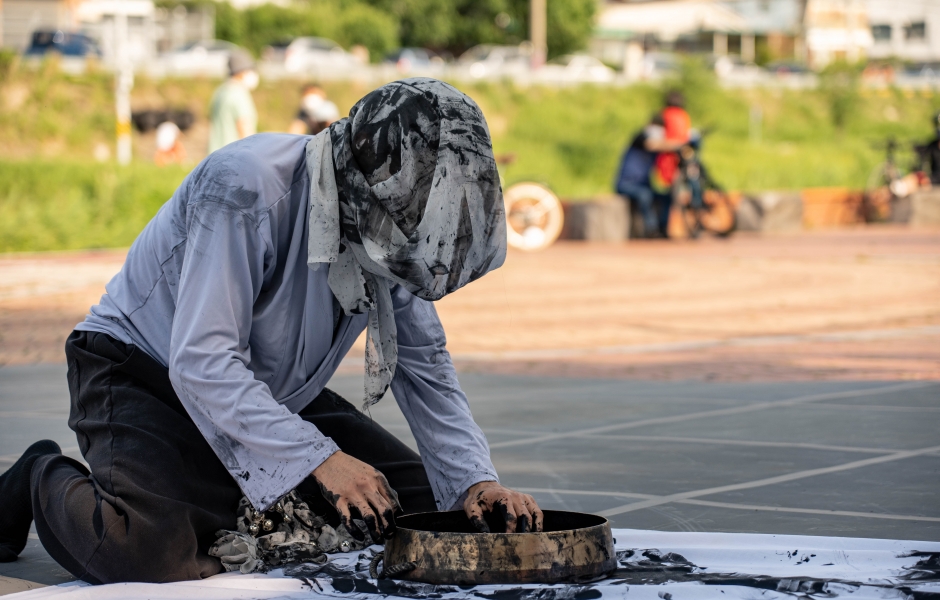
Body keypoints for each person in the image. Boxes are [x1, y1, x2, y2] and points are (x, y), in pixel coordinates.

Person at [0, 78, 542, 583]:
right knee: (147, 550)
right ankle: (38, 476)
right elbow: (203, 362)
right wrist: (322, 460)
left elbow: (425, 368)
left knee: (423, 510)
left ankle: (224, 495)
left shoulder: (400, 235)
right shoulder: (244, 186)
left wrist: (475, 482)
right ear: (365, 193)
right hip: (142, 372)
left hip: (266, 393)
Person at [615, 114, 682, 237]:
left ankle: (662, 228)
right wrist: (679, 144)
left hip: (644, 185)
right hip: (626, 184)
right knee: (645, 195)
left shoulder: (657, 146)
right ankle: (652, 230)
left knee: (667, 198)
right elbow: (653, 144)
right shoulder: (640, 137)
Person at [207, 50, 259, 154]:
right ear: (241, 72)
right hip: (233, 156)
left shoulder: (220, 91)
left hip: (214, 155)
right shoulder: (240, 94)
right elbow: (245, 128)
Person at [654, 90, 691, 189]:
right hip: (682, 151)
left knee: (665, 180)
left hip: (666, 151)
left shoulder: (664, 113)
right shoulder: (684, 115)